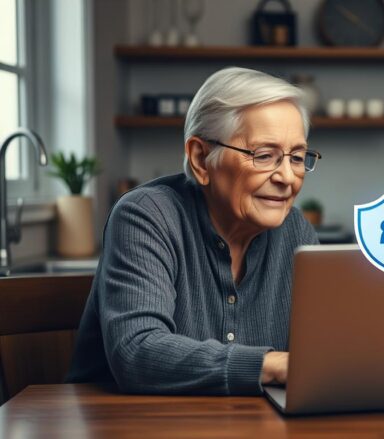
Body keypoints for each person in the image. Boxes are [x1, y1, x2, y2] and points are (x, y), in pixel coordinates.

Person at [66, 67, 322, 395]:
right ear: (201, 158)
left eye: (297, 157)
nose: (287, 176)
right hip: (123, 424)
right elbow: (137, 352)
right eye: (264, 156)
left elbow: (325, 351)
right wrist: (268, 365)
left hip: (249, 424)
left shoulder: (297, 233)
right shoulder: (144, 216)